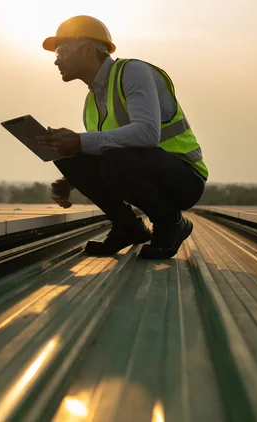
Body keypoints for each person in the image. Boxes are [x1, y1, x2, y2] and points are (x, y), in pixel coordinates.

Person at [36, 15, 208, 260]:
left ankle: (171, 223)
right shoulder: (92, 100)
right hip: (141, 169)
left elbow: (148, 133)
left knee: (112, 158)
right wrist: (70, 179)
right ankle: (127, 226)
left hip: (184, 178)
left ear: (87, 50)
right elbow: (102, 146)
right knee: (67, 155)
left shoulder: (133, 72)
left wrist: (80, 141)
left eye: (62, 50)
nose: (56, 61)